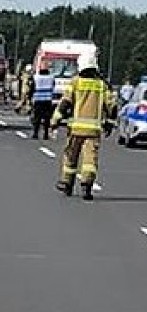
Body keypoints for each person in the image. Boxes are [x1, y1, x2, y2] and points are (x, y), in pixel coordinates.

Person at [51, 53, 117, 201]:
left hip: (75, 128)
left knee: (71, 156)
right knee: (90, 159)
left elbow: (65, 103)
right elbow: (112, 106)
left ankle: (67, 183)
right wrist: (110, 124)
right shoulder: (102, 85)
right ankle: (87, 185)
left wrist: (55, 120)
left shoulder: (76, 83)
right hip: (93, 129)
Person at [30, 66, 55, 140]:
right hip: (48, 100)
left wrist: (30, 98)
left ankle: (35, 134)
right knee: (47, 118)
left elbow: (32, 88)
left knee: (37, 118)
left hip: (38, 100)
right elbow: (53, 87)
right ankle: (46, 134)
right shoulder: (51, 77)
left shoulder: (36, 77)